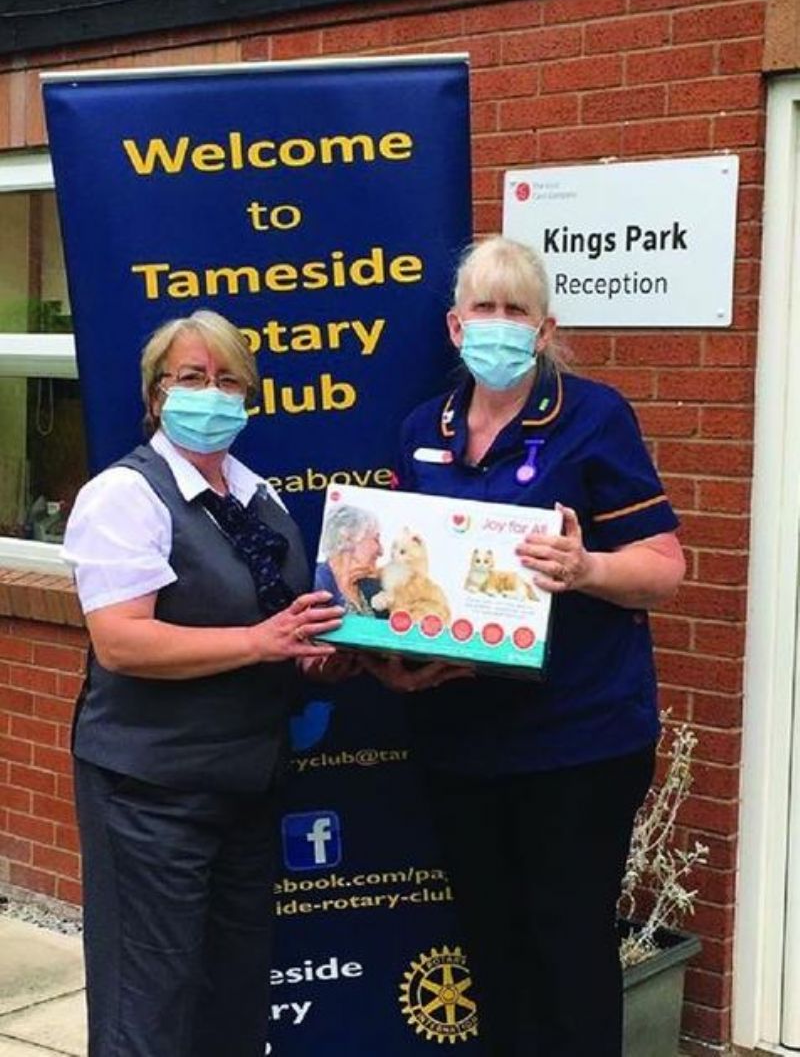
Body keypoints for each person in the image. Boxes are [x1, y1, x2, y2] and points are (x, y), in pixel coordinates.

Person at [366, 236, 686, 1057]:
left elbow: (663, 569)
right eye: (485, 309)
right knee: (493, 951)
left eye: (517, 311)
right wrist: (392, 656)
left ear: (544, 331)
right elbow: (410, 581)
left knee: (570, 951)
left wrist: (584, 568)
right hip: (463, 741)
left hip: (579, 740)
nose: (499, 326)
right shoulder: (418, 431)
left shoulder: (593, 415)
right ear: (454, 325)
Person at [62, 310, 346, 1057]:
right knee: (147, 1010)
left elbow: (275, 630)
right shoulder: (123, 496)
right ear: (157, 396)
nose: (212, 395)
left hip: (246, 787)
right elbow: (122, 641)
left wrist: (309, 653)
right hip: (149, 793)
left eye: (228, 380)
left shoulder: (261, 499)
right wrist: (260, 641)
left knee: (233, 1000)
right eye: (192, 378)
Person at [315, 503, 386, 615]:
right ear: (348, 538)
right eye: (376, 540)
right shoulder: (316, 583)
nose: (381, 551)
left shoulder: (374, 589)